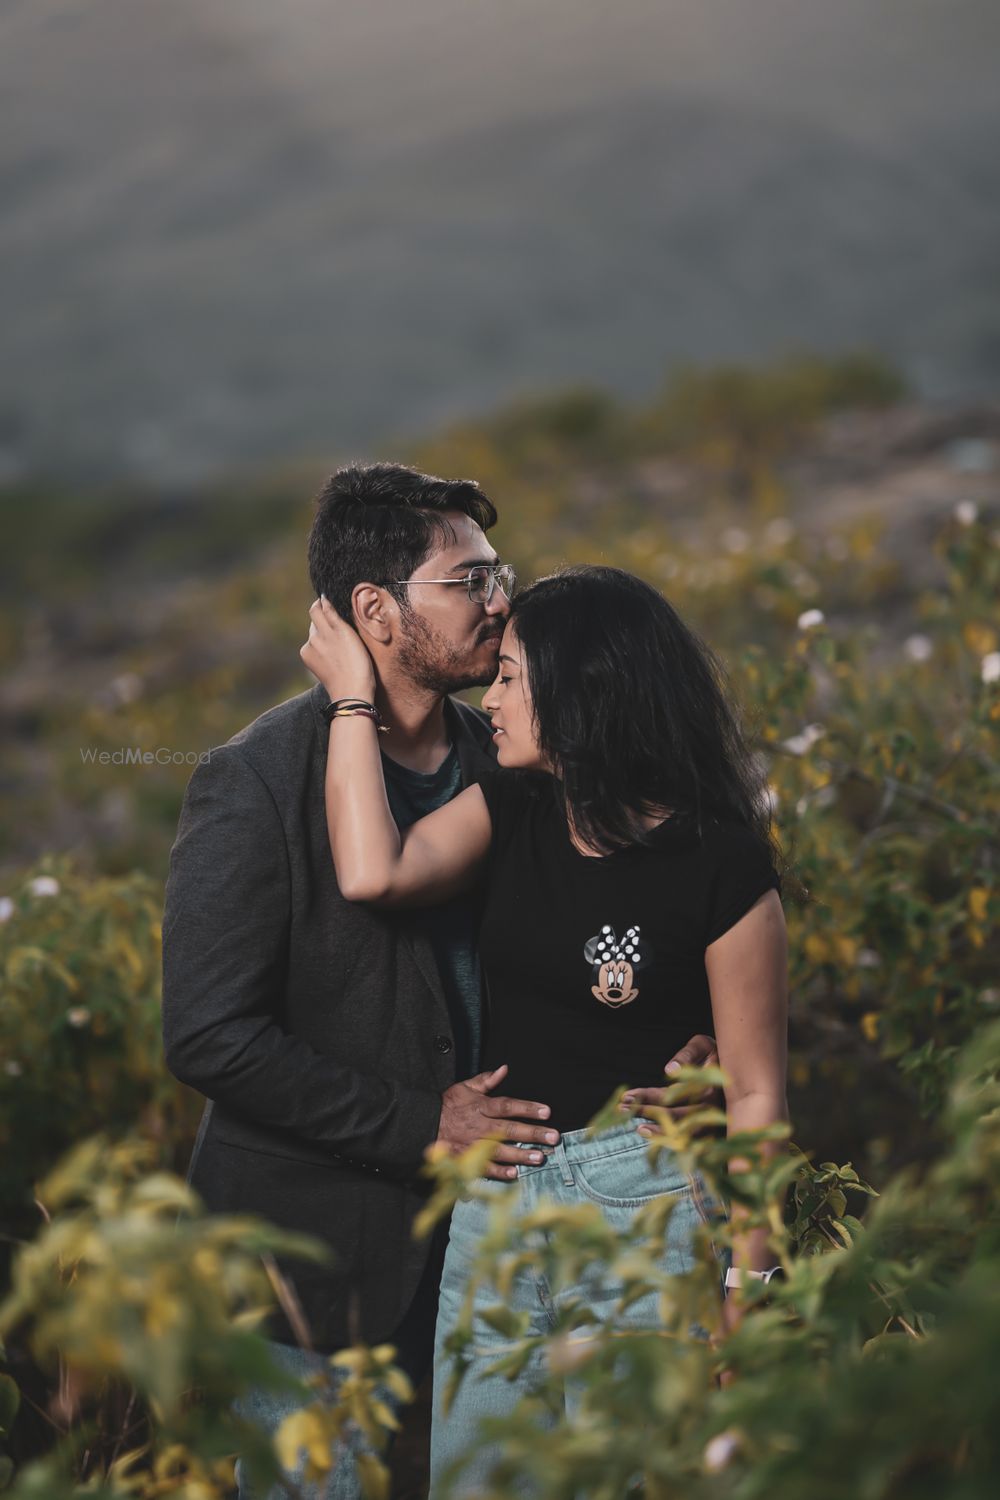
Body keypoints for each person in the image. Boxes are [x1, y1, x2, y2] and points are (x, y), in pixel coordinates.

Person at [161, 464, 720, 1500]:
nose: (501, 600)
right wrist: (426, 1122)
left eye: (497, 573)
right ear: (375, 610)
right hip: (312, 1263)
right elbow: (207, 1035)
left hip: (503, 1239)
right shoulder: (255, 780)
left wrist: (694, 1036)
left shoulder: (515, 753)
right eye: (469, 580)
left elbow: (635, 914)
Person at [300, 562, 790, 1498]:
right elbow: (374, 872)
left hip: (640, 1199)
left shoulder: (720, 866)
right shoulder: (515, 808)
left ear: (584, 693)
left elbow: (759, 1092)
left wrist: (751, 1292)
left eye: (515, 675)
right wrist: (351, 701)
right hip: (496, 1202)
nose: (495, 695)